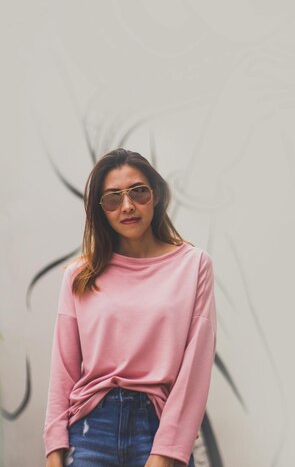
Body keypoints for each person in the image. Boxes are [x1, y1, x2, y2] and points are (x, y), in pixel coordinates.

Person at [43, 148, 217, 467]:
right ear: (100, 209)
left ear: (156, 195)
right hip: (91, 430)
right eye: (112, 198)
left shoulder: (193, 266)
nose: (127, 206)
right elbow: (63, 370)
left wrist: (165, 452)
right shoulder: (79, 276)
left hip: (158, 428)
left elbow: (195, 367)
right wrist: (54, 451)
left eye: (138, 192)